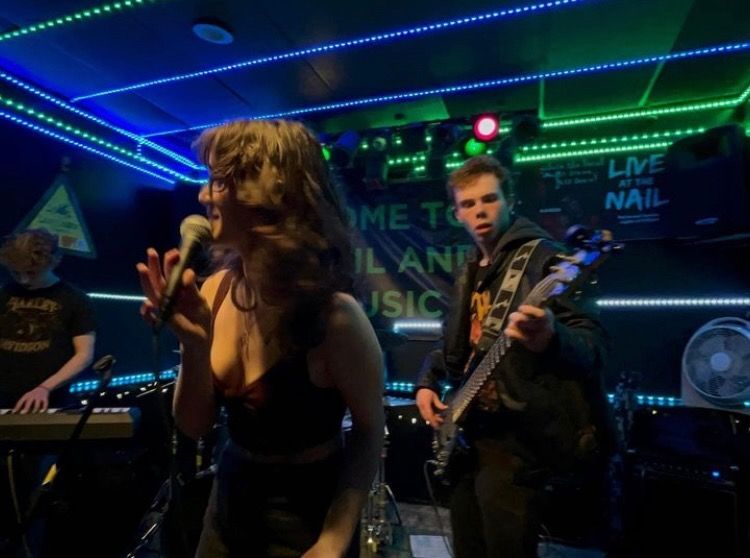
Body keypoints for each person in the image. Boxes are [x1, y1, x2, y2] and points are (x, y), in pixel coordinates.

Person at [137, 119, 384, 557]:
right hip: (230, 499)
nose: (203, 195)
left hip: (308, 512)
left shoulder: (335, 317)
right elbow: (192, 425)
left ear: (267, 192)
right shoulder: (214, 291)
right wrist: (194, 347)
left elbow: (369, 433)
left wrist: (333, 539)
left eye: (218, 182)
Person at [416, 155, 610, 558]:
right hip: (469, 434)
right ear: (457, 213)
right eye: (468, 204)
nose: (479, 210)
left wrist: (551, 339)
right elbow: (453, 346)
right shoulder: (470, 269)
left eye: (489, 199)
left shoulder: (546, 261)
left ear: (509, 201)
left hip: (517, 444)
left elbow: (595, 347)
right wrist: (426, 382)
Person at [0, 228, 96, 412]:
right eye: (16, 273)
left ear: (53, 262)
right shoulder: (3, 294)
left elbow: (84, 355)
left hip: (52, 400)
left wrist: (44, 388)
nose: (23, 280)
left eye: (31, 272)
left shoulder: (75, 299)